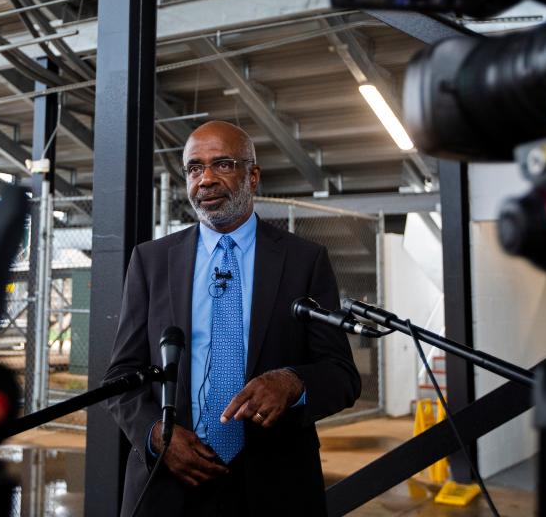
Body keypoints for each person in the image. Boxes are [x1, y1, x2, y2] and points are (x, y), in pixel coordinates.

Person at [104, 121, 361, 516]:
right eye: (194, 168)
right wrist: (158, 435)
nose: (205, 180)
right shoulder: (151, 262)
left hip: (274, 486)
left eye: (222, 164)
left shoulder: (303, 261)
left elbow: (342, 374)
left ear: (253, 176)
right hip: (169, 485)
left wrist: (292, 382)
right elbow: (122, 376)